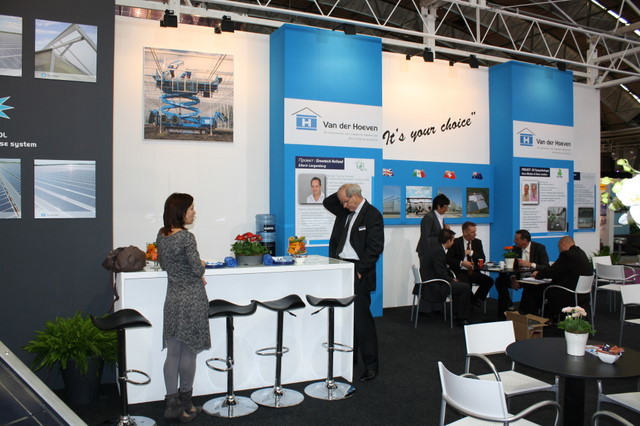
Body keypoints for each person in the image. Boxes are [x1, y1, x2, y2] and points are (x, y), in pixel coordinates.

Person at [156, 193, 210, 422]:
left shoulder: (162, 235)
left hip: (173, 299)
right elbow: (196, 269)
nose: (194, 212)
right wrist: (202, 265)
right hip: (192, 300)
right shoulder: (187, 237)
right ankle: (187, 403)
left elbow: (166, 264)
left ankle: (172, 405)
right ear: (181, 212)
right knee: (189, 352)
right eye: (191, 208)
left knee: (173, 353)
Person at [324, 183, 384, 382]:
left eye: (346, 201)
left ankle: (371, 365)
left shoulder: (372, 214)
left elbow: (375, 248)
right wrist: (343, 191)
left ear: (355, 196)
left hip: (359, 270)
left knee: (361, 319)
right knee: (345, 316)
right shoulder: (344, 211)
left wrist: (359, 271)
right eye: (342, 202)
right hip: (341, 265)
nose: (343, 205)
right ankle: (352, 357)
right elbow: (328, 202)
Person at [521, 236, 592, 318]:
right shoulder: (581, 253)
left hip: (568, 293)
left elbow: (552, 271)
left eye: (559, 247)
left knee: (531, 288)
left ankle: (528, 316)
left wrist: (538, 274)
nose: (559, 250)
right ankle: (547, 316)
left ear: (563, 245)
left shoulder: (567, 255)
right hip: (583, 293)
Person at [420, 229, 471, 326]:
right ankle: (461, 318)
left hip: (432, 282)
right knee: (465, 287)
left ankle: (456, 313)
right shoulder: (438, 251)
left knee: (460, 286)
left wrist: (451, 279)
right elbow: (440, 273)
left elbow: (439, 270)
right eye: (453, 240)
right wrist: (452, 279)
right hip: (435, 285)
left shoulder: (435, 249)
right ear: (448, 241)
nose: (453, 242)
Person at [495, 229, 549, 317]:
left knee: (530, 288)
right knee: (500, 281)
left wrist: (531, 264)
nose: (514, 241)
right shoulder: (515, 249)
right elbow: (513, 267)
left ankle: (525, 312)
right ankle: (506, 308)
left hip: (532, 279)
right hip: (519, 278)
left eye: (516, 239)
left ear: (524, 241)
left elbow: (545, 266)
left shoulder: (539, 248)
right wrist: (513, 279)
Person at [446, 221, 494, 308]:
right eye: (472, 232)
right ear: (465, 232)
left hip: (473, 271)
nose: (475, 234)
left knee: (489, 281)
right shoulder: (456, 242)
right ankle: (473, 302)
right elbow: (448, 259)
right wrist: (461, 263)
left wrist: (471, 253)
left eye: (475, 232)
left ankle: (476, 300)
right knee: (466, 284)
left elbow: (482, 259)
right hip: (460, 271)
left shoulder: (477, 242)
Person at [416, 194, 450, 278]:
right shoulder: (429, 217)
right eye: (445, 207)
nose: (446, 209)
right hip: (427, 252)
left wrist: (445, 230)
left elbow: (437, 233)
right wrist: (430, 254)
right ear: (438, 206)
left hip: (435, 251)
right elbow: (425, 237)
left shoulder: (440, 217)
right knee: (428, 276)